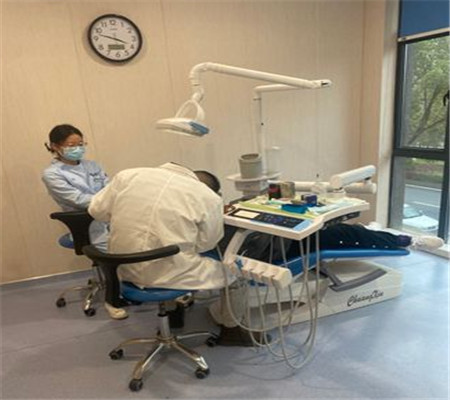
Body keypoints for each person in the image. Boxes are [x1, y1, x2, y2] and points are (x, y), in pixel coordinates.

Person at [88, 162, 258, 346]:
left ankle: (173, 314)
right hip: (167, 273)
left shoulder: (128, 176)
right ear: (212, 189)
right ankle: (232, 331)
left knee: (172, 257)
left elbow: (96, 211)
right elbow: (206, 244)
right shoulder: (207, 196)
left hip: (121, 267)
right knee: (235, 272)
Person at [42, 124, 127, 320]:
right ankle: (112, 300)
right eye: (71, 145)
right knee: (113, 256)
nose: (78, 148)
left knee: (135, 242)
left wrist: (112, 201)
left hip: (108, 216)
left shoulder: (93, 166)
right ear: (55, 146)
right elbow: (78, 200)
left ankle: (134, 287)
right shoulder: (52, 174)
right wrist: (107, 202)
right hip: (84, 224)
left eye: (80, 144)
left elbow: (110, 188)